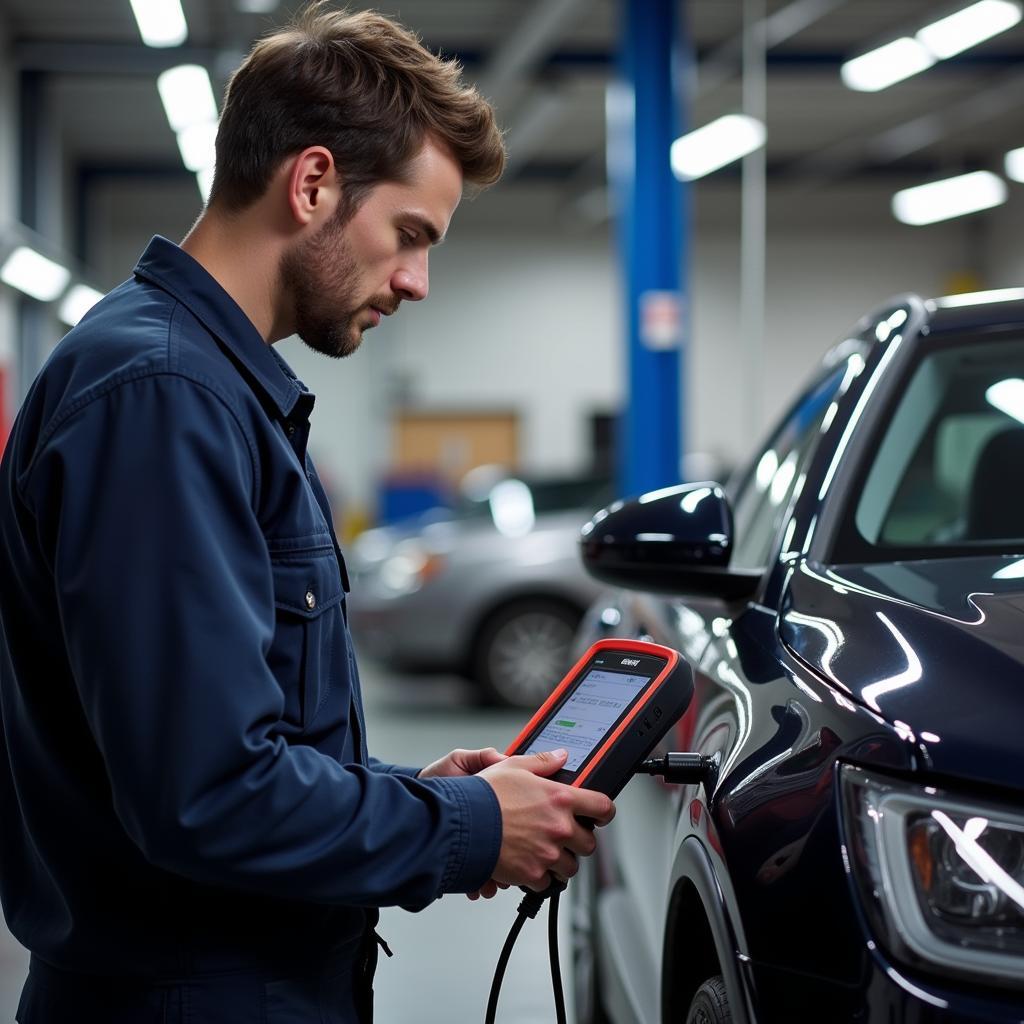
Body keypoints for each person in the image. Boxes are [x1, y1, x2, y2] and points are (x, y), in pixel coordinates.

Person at [0, 6, 614, 1023]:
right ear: (313, 182)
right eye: (409, 236)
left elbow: (215, 732)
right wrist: (464, 825)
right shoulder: (163, 395)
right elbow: (203, 793)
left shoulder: (205, 385)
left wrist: (419, 791)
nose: (415, 281)